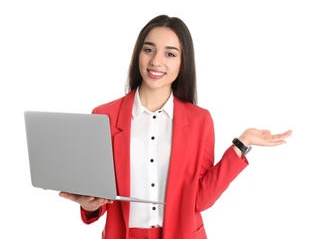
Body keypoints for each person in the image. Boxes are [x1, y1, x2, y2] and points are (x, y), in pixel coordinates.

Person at [59, 14, 292, 239]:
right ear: (138, 54)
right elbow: (97, 196)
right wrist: (90, 205)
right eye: (148, 49)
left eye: (170, 54)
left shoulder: (200, 120)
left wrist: (243, 144)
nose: (156, 61)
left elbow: (200, 200)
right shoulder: (104, 116)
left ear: (183, 62)